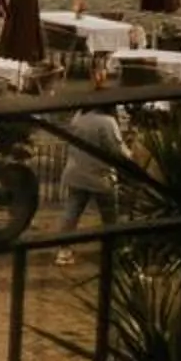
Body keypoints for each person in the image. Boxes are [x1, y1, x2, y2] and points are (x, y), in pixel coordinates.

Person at [54, 104, 126, 265]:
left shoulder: (78, 118)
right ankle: (113, 250)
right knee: (109, 215)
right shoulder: (107, 122)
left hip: (76, 171)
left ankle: (63, 250)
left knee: (72, 212)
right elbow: (115, 150)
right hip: (100, 175)